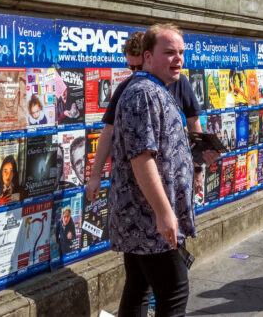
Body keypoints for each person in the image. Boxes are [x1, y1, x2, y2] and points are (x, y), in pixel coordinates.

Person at [110, 24, 195, 317]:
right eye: (169, 52)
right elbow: (141, 158)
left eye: (181, 52)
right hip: (147, 221)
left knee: (138, 287)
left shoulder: (157, 89)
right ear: (147, 56)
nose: (178, 59)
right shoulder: (144, 93)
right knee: (174, 292)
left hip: (143, 220)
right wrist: (163, 212)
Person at [87, 32, 215, 203]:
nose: (135, 73)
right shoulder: (127, 87)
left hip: (174, 182)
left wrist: (198, 170)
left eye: (138, 67)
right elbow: (109, 131)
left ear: (149, 58)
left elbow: (194, 124)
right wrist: (95, 176)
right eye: (130, 67)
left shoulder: (179, 82)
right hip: (136, 190)